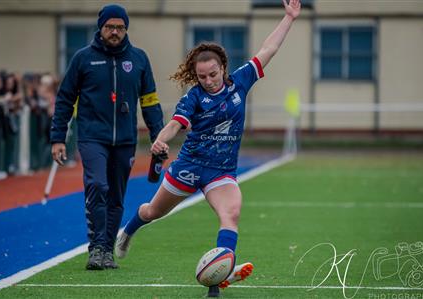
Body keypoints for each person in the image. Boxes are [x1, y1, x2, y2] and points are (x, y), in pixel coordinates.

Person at [116, 0, 300, 294]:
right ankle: (129, 230)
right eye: (202, 77)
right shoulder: (194, 97)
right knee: (152, 212)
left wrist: (289, 18)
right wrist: (162, 139)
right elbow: (176, 124)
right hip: (189, 167)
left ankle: (216, 284)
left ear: (223, 67)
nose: (208, 81)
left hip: (220, 171)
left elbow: (268, 50)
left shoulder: (240, 82)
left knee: (231, 214)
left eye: (213, 74)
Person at [50, 4, 164, 270]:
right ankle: (96, 248)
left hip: (125, 139)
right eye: (110, 27)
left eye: (120, 28)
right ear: (100, 28)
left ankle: (107, 251)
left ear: (126, 29)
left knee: (116, 197)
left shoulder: (138, 59)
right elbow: (65, 99)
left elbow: (150, 101)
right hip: (92, 136)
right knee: (98, 186)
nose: (115, 32)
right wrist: (57, 137)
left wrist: (158, 136)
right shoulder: (83, 58)